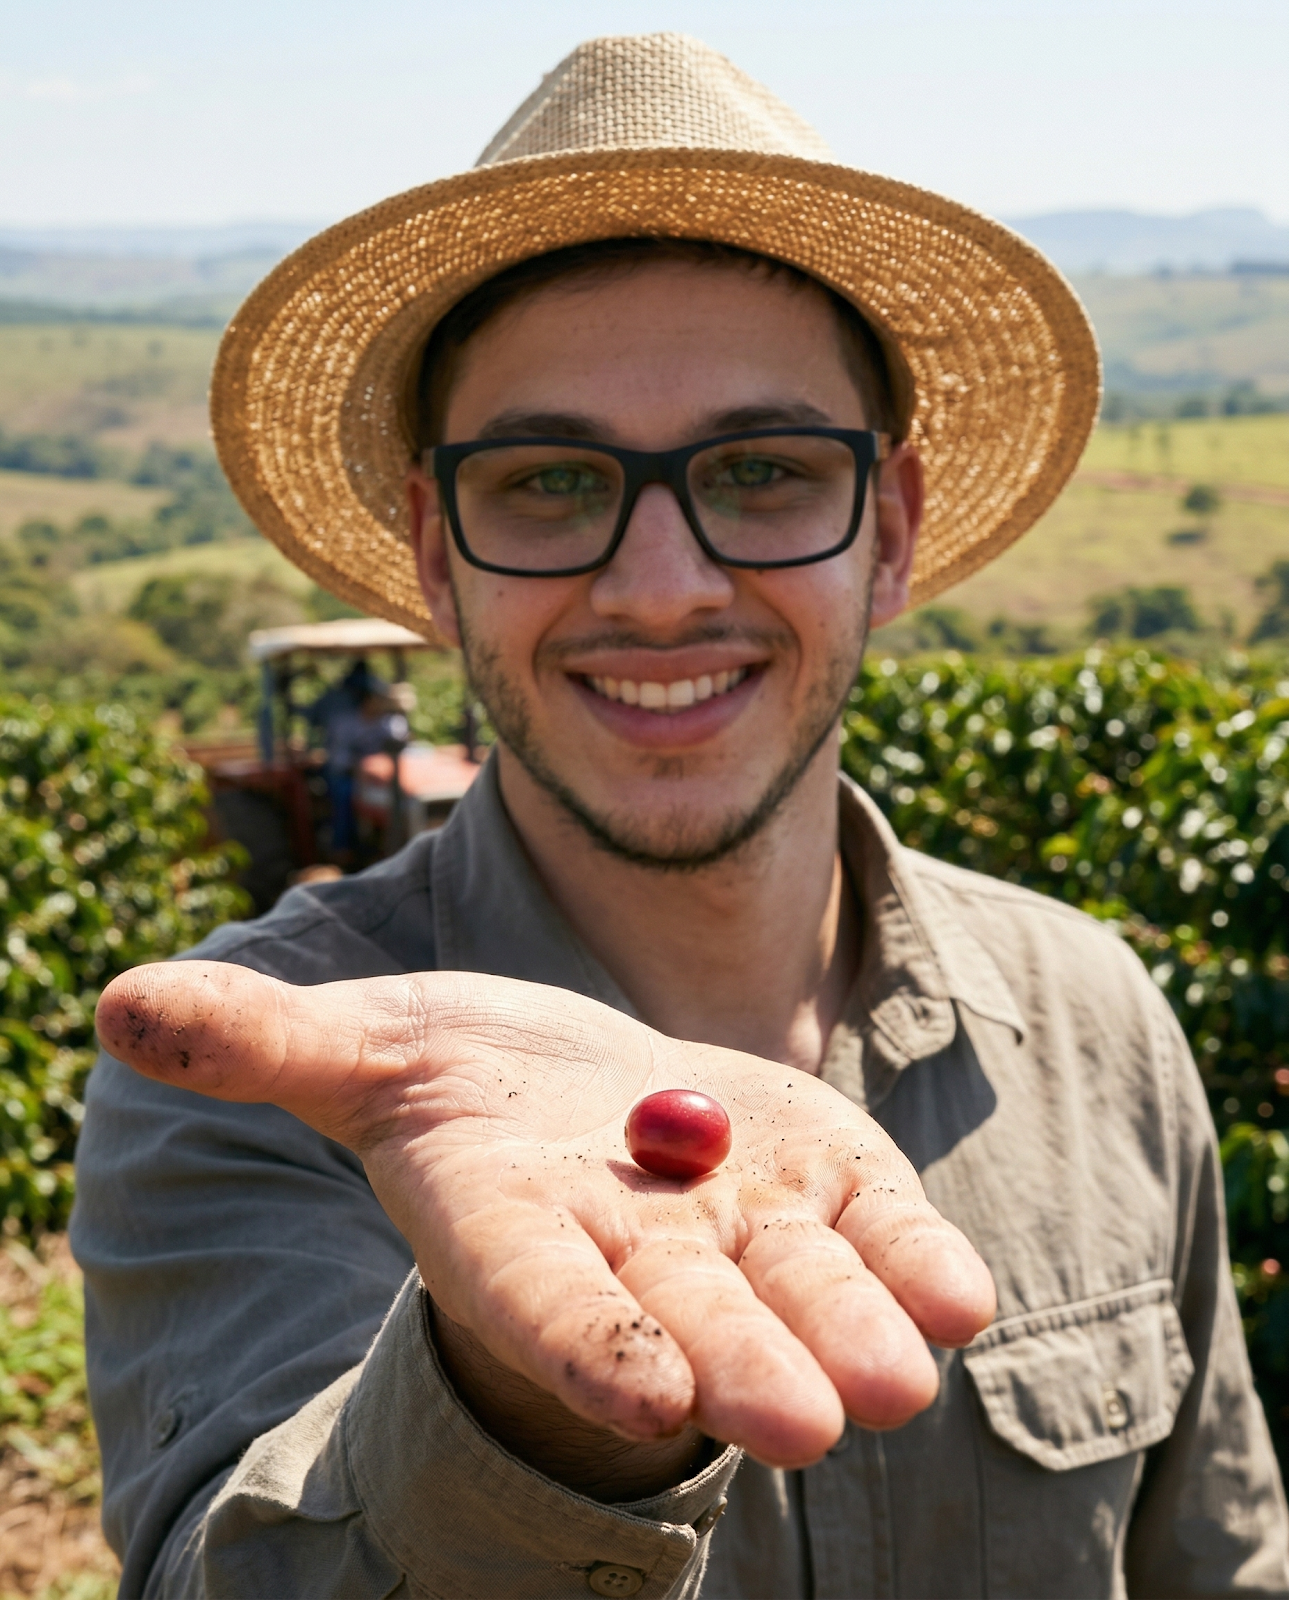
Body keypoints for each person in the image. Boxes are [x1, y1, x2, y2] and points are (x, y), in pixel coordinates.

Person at [74, 33, 1288, 1600]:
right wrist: (526, 1405)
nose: (661, 588)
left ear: (892, 530)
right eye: (551, 483)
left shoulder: (1093, 1022)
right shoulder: (262, 1087)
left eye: (766, 470)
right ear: (439, 555)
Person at [307, 659, 411, 863]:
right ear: (367, 700)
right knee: (345, 794)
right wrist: (360, 767)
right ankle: (342, 848)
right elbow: (339, 759)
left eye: (384, 700)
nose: (380, 704)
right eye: (377, 699)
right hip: (347, 774)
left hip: (383, 776)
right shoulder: (345, 724)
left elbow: (402, 746)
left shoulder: (390, 724)